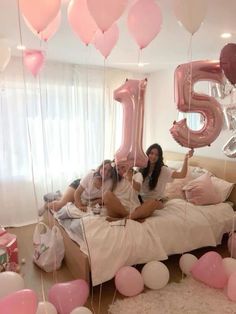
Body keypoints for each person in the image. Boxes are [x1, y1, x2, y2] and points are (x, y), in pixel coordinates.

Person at [38, 160, 113, 216]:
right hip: (77, 187)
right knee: (60, 205)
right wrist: (79, 205)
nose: (106, 172)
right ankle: (46, 205)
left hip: (85, 196)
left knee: (67, 201)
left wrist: (93, 203)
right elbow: (77, 193)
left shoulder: (110, 183)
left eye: (109, 171)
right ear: (100, 168)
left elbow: (103, 199)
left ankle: (60, 196)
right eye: (104, 168)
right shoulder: (91, 175)